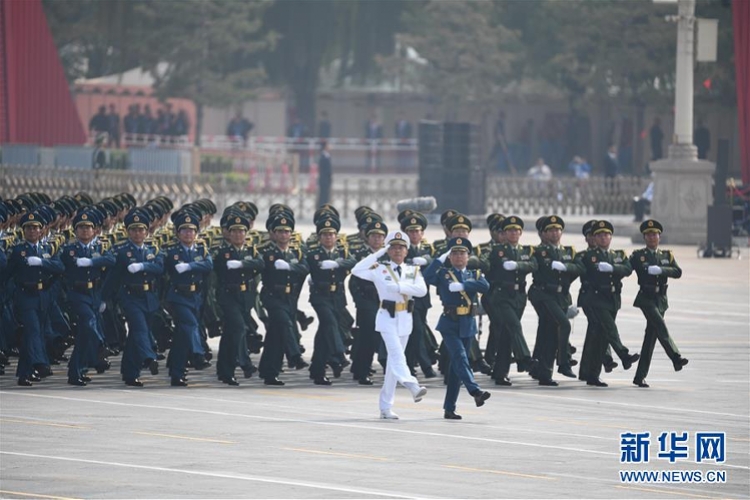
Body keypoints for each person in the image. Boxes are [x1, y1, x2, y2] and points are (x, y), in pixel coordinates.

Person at [352, 230, 428, 420]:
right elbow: (356, 270)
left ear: (406, 251)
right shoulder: (380, 268)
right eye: (393, 247)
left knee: (393, 367)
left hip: (405, 317)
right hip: (386, 316)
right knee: (396, 354)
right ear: (388, 250)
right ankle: (412, 385)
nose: (397, 251)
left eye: (401, 248)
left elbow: (422, 291)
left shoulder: (412, 271)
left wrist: (401, 288)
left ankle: (385, 407)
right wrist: (378, 253)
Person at [424, 237, 491, 420]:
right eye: (454, 253)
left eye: (462, 253)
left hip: (467, 323)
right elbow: (427, 277)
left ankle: (449, 408)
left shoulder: (474, 274)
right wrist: (438, 259)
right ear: (450, 256)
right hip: (450, 323)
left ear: (468, 257)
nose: (458, 257)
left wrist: (463, 285)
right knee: (461, 357)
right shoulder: (444, 274)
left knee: (456, 369)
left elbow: (485, 286)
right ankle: (475, 391)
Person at [102, 208, 164, 387]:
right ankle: (148, 358)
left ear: (146, 231)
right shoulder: (121, 251)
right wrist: (103, 299)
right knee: (139, 329)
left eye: (141, 229)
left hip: (149, 297)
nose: (138, 233)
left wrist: (143, 266)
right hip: (130, 297)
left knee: (134, 337)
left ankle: (130, 373)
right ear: (128, 232)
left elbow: (160, 268)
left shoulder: (153, 250)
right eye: (134, 230)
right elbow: (112, 278)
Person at [574, 220, 640, 387]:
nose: (603, 238)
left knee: (600, 338)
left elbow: (627, 269)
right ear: (594, 238)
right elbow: (576, 270)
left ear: (611, 237)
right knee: (610, 328)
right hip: (595, 300)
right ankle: (623, 355)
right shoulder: (587, 256)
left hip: (612, 300)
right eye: (600, 235)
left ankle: (592, 375)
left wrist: (612, 268)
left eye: (606, 235)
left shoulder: (618, 255)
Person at [5, 211, 64, 386]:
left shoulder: (48, 249)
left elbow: (60, 267)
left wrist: (42, 262)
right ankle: (41, 363)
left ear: (41, 230)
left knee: (32, 334)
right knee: (32, 330)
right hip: (25, 296)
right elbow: (8, 274)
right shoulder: (18, 251)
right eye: (28, 228)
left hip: (43, 296)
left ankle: (24, 373)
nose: (32, 231)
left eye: (35, 228)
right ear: (24, 231)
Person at [629, 220, 688, 387]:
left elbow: (678, 272)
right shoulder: (638, 256)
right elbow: (626, 269)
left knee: (651, 338)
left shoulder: (666, 256)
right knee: (661, 326)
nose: (652, 237)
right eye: (648, 235)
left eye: (654, 234)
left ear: (659, 237)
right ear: (644, 237)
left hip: (661, 299)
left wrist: (662, 270)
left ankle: (639, 376)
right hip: (646, 298)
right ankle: (675, 356)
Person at [59, 209, 115, 386]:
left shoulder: (100, 248)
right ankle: (100, 345)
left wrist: (91, 262)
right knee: (88, 321)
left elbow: (111, 260)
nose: (84, 230)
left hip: (94, 294)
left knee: (83, 336)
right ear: (75, 231)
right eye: (81, 227)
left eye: (88, 227)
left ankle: (76, 371)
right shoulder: (69, 250)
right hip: (77, 294)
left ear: (94, 230)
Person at [483, 216, 538, 386]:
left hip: (519, 296)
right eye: (510, 231)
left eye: (516, 230)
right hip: (501, 295)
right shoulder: (496, 250)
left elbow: (533, 265)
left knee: (507, 334)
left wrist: (518, 265)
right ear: (504, 233)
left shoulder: (526, 251)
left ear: (521, 233)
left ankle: (500, 373)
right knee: (514, 326)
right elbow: (483, 262)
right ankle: (525, 358)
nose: (513, 233)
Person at [528, 215, 581, 386]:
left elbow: (580, 268)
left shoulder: (568, 251)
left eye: (557, 230)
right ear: (542, 234)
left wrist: (565, 268)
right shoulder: (536, 252)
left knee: (549, 332)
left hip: (561, 296)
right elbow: (531, 266)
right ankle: (564, 361)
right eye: (550, 230)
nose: (555, 233)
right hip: (543, 295)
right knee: (563, 324)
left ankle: (544, 372)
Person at [257, 212, 309, 386]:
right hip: (272, 297)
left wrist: (290, 266)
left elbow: (305, 269)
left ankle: (268, 371)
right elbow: (256, 266)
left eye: (286, 232)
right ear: (273, 234)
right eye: (279, 231)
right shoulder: (266, 252)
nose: (283, 235)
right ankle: (295, 356)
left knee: (275, 335)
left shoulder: (296, 253)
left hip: (289, 298)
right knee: (285, 324)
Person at [163, 211, 214, 386]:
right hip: (178, 297)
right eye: (184, 230)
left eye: (191, 230)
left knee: (182, 337)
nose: (188, 234)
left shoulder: (201, 249)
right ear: (177, 233)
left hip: (196, 297)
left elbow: (209, 264)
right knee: (191, 325)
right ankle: (198, 355)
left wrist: (190, 266)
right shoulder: (171, 252)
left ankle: (177, 372)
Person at [212, 213, 264, 386]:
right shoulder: (222, 252)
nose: (238, 235)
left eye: (241, 231)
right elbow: (219, 271)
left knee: (229, 334)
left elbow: (260, 264)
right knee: (239, 328)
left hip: (245, 297)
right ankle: (239, 365)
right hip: (228, 296)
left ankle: (224, 371)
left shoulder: (251, 251)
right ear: (229, 233)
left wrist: (242, 264)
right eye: (234, 232)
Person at [317, 140, 332, 207]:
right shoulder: (323, 156)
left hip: (326, 179)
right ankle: (321, 208)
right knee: (323, 196)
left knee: (326, 195)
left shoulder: (327, 156)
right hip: (324, 179)